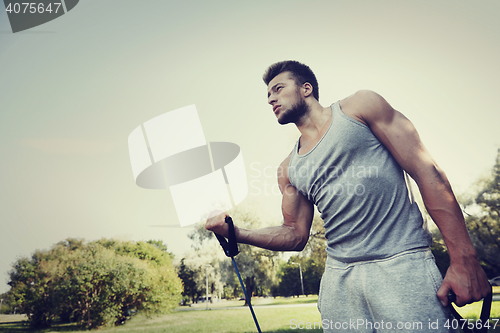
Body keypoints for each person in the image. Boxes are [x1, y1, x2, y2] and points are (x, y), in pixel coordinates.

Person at [205, 60, 491, 332]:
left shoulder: (360, 107)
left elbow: (426, 171)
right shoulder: (288, 168)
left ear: (306, 88)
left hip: (401, 265)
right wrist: (236, 232)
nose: (270, 99)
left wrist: (463, 258)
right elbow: (294, 234)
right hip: (340, 282)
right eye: (267, 94)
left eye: (278, 89)